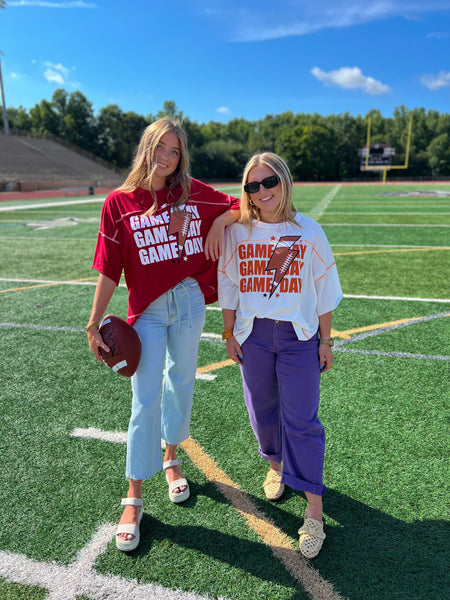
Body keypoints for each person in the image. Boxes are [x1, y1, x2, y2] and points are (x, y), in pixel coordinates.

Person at [86, 117, 240, 552]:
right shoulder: (119, 202)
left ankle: (171, 459)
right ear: (147, 148)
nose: (168, 159)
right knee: (144, 398)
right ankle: (134, 495)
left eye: (176, 152)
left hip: (189, 301)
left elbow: (245, 205)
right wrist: (93, 322)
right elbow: (109, 268)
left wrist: (216, 223)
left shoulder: (190, 191)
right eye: (162, 149)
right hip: (148, 312)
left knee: (181, 383)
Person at [217, 152, 342, 559]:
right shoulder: (239, 231)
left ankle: (314, 510)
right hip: (252, 336)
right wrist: (229, 331)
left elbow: (324, 290)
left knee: (302, 420)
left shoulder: (309, 231)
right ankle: (274, 465)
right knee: (261, 410)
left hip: (298, 337)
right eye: (253, 186)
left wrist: (326, 340)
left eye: (269, 182)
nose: (262, 191)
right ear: (246, 192)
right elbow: (230, 282)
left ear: (284, 181)